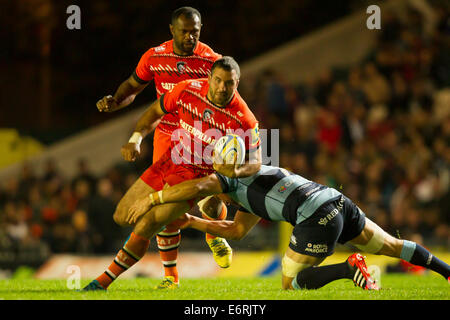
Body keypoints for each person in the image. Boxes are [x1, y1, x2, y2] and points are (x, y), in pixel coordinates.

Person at [83, 56, 262, 291]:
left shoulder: (244, 119)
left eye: (229, 83)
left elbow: (257, 163)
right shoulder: (187, 89)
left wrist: (235, 169)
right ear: (209, 77)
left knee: (148, 223)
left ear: (237, 83)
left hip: (198, 177)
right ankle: (213, 219)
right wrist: (136, 139)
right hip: (170, 160)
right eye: (218, 80)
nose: (222, 87)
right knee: (121, 215)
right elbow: (155, 110)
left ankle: (102, 283)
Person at [128, 164, 450, 290]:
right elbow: (237, 231)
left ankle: (348, 268)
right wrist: (195, 221)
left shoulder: (222, 180)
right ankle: (447, 272)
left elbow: (197, 189)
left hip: (315, 217)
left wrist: (153, 200)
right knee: (393, 246)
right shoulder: (251, 187)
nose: (209, 200)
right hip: (336, 200)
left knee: (290, 284)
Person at [95, 7, 229, 288]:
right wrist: (116, 100)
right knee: (165, 205)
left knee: (212, 201)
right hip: (167, 136)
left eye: (195, 31)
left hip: (199, 139)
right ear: (172, 29)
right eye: (184, 31)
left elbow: (227, 99)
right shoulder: (155, 56)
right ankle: (170, 276)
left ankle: (213, 233)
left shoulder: (211, 61)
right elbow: (132, 87)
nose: (190, 36)